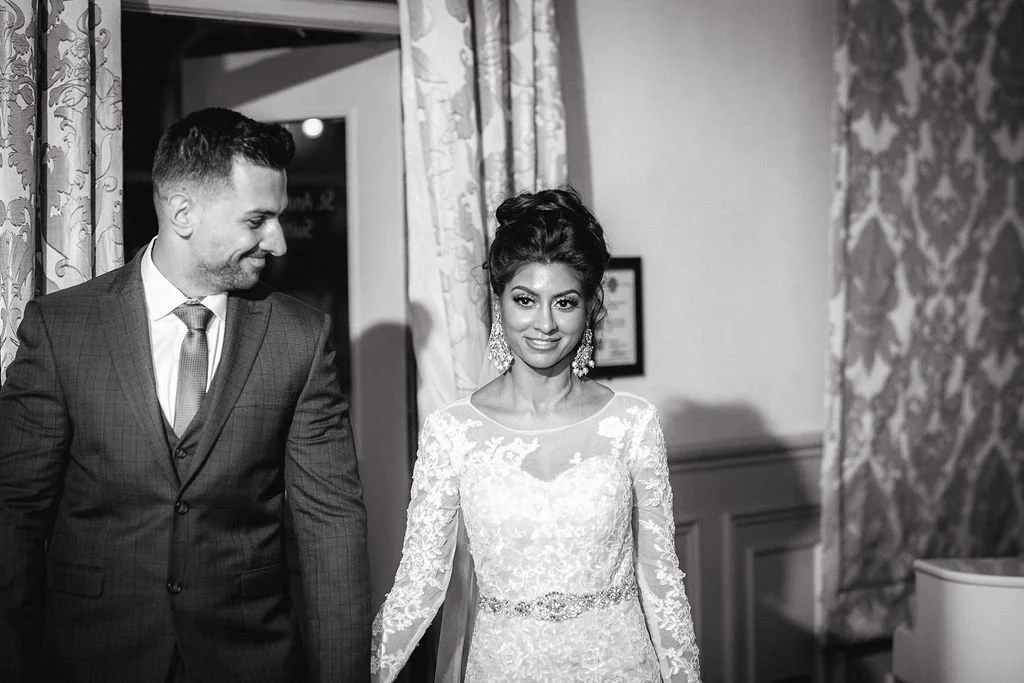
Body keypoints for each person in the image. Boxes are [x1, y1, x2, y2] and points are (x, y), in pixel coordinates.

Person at [0, 108, 370, 683]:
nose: (277, 241)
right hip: (90, 660)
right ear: (182, 213)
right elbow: (13, 517)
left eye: (278, 219)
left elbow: (332, 528)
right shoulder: (61, 329)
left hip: (248, 661)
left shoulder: (299, 338)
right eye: (257, 220)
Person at [370, 188, 701, 682]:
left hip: (621, 667)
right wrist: (362, 668)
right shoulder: (452, 432)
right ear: (499, 302)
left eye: (564, 302)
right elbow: (421, 585)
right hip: (503, 668)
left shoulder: (633, 423)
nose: (544, 323)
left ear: (590, 307)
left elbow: (661, 581)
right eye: (525, 300)